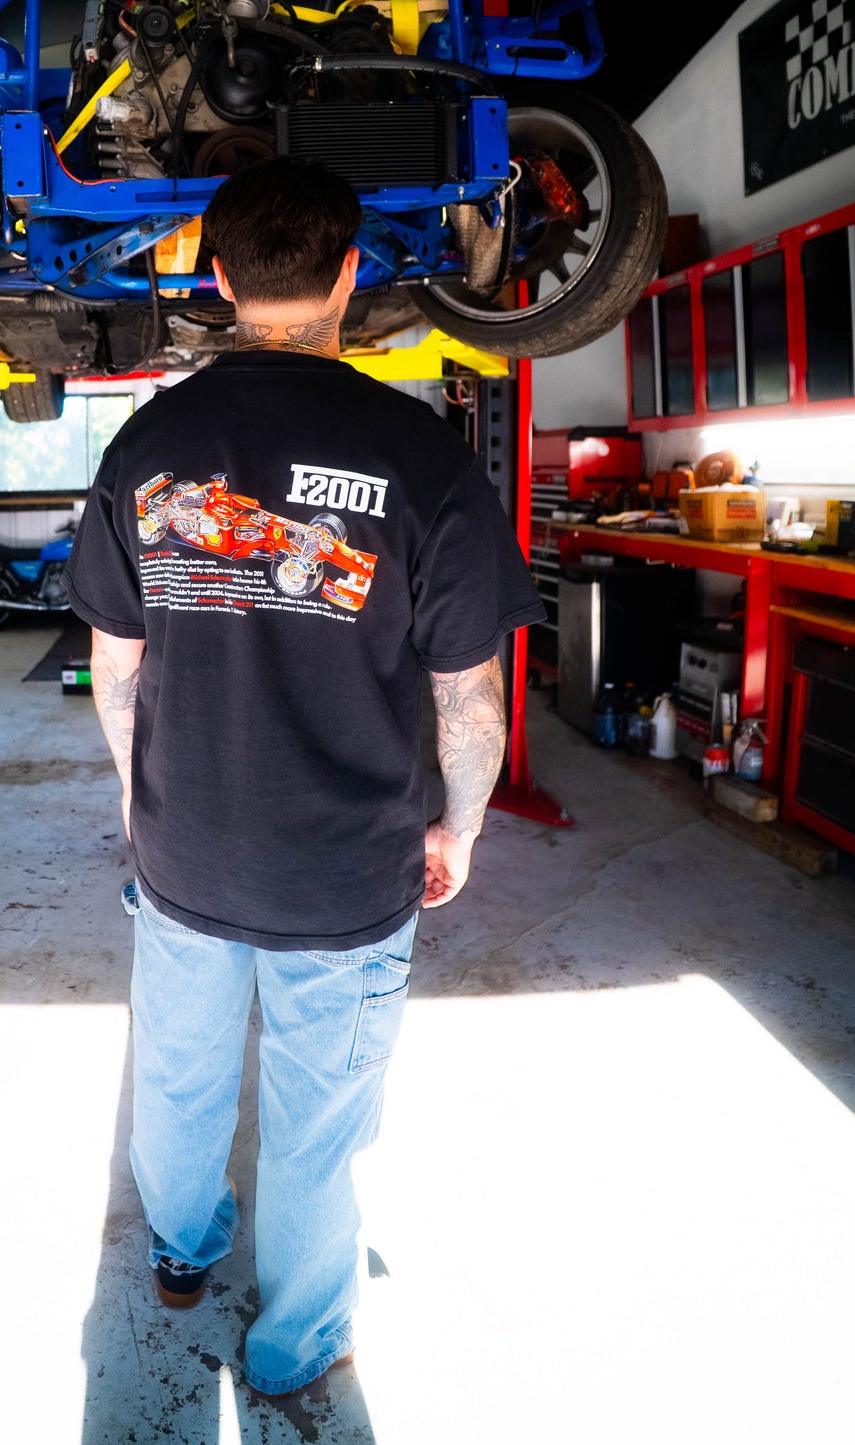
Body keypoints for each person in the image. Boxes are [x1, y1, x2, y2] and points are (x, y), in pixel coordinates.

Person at [64, 156, 545, 1399]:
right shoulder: (420, 457)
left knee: (174, 1077)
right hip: (346, 869)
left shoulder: (146, 443)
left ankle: (178, 1253)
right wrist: (464, 828)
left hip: (182, 855)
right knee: (315, 1125)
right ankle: (291, 1344)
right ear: (348, 275)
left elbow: (115, 672)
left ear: (216, 279)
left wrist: (137, 795)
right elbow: (470, 700)